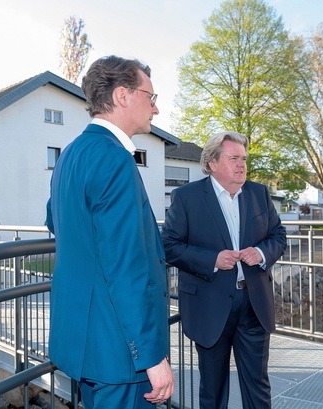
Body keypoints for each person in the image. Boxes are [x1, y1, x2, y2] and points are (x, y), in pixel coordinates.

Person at [45, 55, 174, 409]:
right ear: (122, 96)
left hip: (85, 345)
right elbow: (126, 266)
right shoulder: (114, 158)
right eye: (151, 96)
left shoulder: (70, 154)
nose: (156, 109)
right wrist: (149, 356)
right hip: (118, 353)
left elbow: (54, 220)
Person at [162, 131, 287, 409]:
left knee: (258, 386)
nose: (241, 165)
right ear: (212, 163)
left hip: (253, 303)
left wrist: (262, 253)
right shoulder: (187, 197)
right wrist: (212, 260)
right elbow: (168, 246)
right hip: (209, 305)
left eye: (243, 159)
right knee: (213, 389)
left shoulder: (259, 193)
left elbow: (278, 236)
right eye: (234, 158)